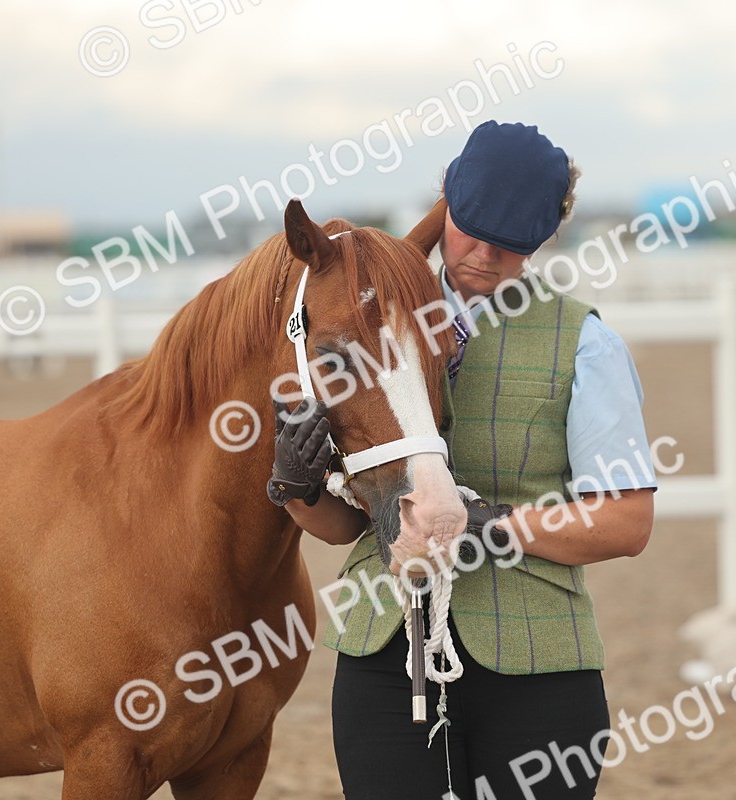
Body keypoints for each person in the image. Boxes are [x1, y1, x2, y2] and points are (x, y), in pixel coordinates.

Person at [268, 120, 657, 799]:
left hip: (540, 664)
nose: (482, 256)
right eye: (469, 230)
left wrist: (495, 529)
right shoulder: (370, 320)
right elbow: (343, 529)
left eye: (510, 247)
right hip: (385, 653)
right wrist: (300, 488)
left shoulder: (587, 345)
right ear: (446, 199)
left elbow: (627, 522)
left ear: (545, 237)